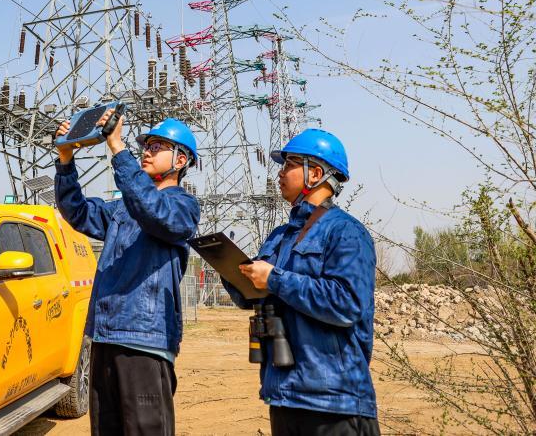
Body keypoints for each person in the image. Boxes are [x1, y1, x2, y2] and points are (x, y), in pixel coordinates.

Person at [223, 129, 379, 436]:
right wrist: (230, 271)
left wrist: (275, 279)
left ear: (315, 173)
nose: (280, 173)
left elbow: (346, 304)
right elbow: (251, 297)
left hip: (335, 403)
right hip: (284, 396)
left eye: (289, 164)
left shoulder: (346, 232)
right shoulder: (279, 237)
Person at [54, 111, 200, 435]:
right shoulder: (122, 208)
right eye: (145, 144)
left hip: (144, 343)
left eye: (157, 145)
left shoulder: (183, 207)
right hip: (105, 336)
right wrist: (65, 160)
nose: (146, 150)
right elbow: (76, 211)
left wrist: (118, 148)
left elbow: (152, 211)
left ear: (181, 159)